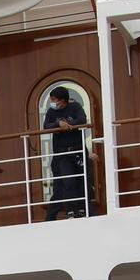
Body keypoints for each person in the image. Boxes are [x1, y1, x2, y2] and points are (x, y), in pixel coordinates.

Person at [42, 87, 91, 221]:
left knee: (82, 180)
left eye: (53, 100)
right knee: (68, 181)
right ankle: (71, 211)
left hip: (78, 150)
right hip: (62, 153)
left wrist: (68, 124)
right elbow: (46, 126)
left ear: (62, 100)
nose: (52, 102)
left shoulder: (75, 107)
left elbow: (82, 120)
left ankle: (83, 209)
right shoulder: (51, 111)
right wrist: (58, 123)